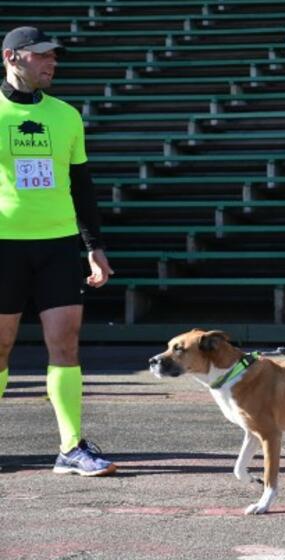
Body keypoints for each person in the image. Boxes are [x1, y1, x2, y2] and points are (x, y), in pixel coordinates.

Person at [0, 26, 115, 475]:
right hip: (4, 245)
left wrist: (94, 246)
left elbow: (81, 186)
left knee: (65, 344)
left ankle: (71, 447)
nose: (52, 62)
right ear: (12, 57)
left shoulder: (66, 115)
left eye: (54, 56)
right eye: (41, 55)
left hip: (58, 244)